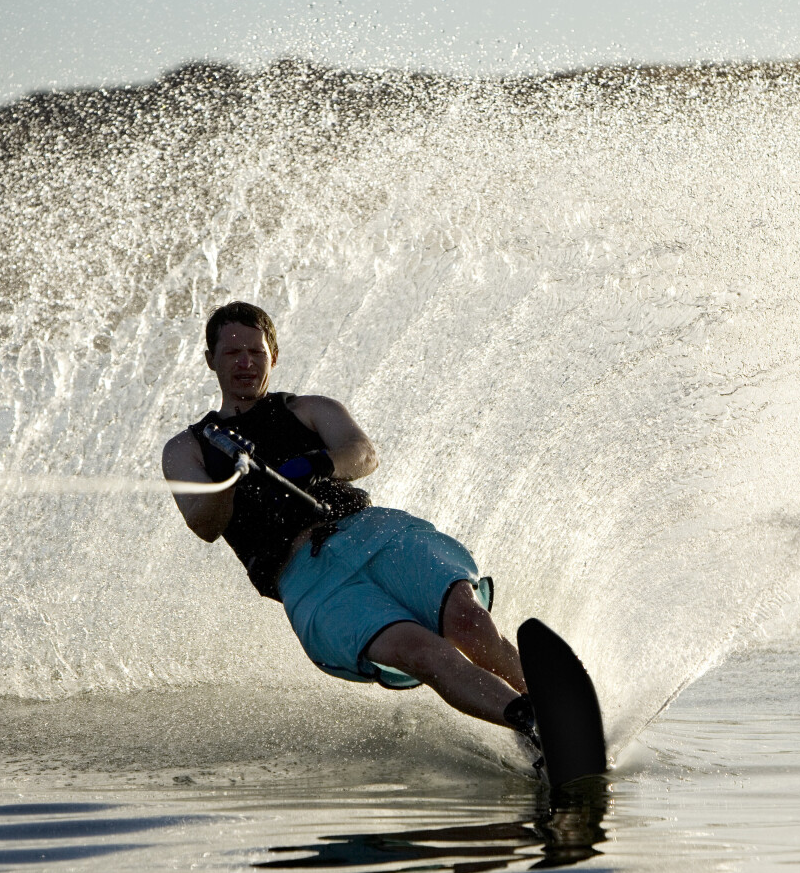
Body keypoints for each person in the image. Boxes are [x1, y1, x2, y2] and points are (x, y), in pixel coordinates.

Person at [162, 301, 538, 738]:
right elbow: (204, 524)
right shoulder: (187, 449)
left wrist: (313, 464)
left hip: (371, 534)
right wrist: (229, 476)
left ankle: (545, 701)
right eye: (232, 353)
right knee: (423, 651)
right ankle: (526, 721)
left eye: (256, 352)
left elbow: (362, 453)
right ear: (211, 360)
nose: (245, 363)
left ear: (274, 356)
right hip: (310, 581)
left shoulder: (308, 409)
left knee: (468, 623)